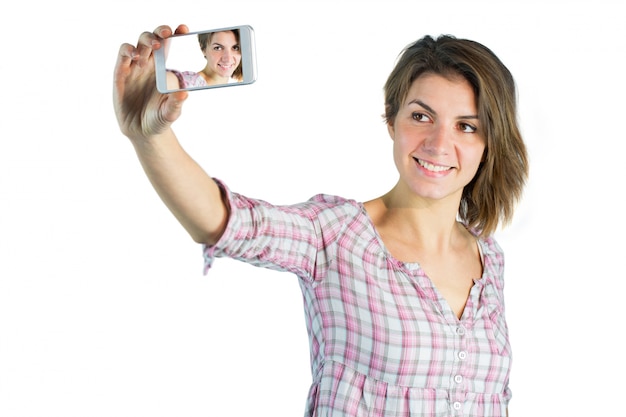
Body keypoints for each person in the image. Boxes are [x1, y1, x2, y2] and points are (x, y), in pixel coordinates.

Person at [113, 23, 528, 417]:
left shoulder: (489, 257)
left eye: (466, 126)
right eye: (421, 117)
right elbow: (226, 221)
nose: (439, 143)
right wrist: (150, 136)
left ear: (490, 141)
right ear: (391, 120)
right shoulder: (337, 235)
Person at [165, 28, 243, 89]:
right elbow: (173, 82)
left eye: (235, 48)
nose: (228, 59)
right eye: (218, 48)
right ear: (203, 49)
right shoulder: (191, 82)